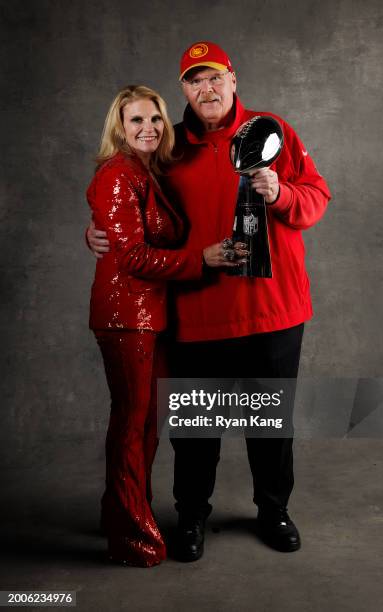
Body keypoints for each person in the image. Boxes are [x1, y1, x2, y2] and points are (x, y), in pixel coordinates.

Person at [88, 42, 331, 563]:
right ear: (184, 90)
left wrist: (280, 193)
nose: (207, 88)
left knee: (270, 423)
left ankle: (273, 510)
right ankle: (191, 514)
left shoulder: (273, 129)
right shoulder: (168, 148)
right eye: (195, 81)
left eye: (215, 77)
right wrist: (99, 232)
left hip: (274, 308)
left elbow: (316, 197)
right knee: (197, 430)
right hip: (198, 312)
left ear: (233, 79)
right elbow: (131, 208)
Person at [86, 84, 245, 567]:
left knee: (147, 424)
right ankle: (132, 532)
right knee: (133, 425)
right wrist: (200, 258)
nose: (149, 128)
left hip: (150, 314)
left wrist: (99, 234)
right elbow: (131, 255)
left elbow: (121, 233)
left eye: (155, 119)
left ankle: (121, 513)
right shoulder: (119, 173)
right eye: (136, 121)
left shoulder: (144, 170)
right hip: (126, 315)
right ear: (119, 127)